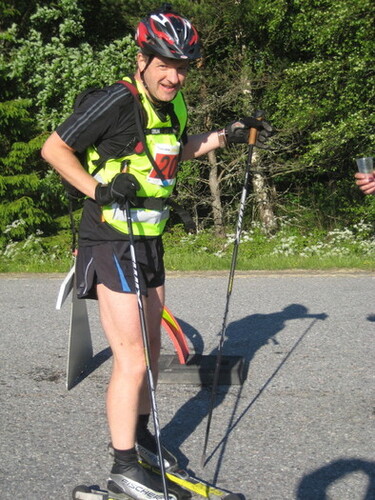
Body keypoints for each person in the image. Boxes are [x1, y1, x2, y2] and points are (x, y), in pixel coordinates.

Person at [42, 5, 272, 499]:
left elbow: (175, 150)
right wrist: (98, 190)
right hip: (109, 238)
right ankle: (123, 470)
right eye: (164, 64)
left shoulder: (174, 105)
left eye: (183, 66)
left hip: (148, 240)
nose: (174, 75)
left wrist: (227, 136)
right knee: (131, 359)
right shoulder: (116, 101)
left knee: (149, 351)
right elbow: (54, 149)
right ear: (142, 58)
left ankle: (141, 441)